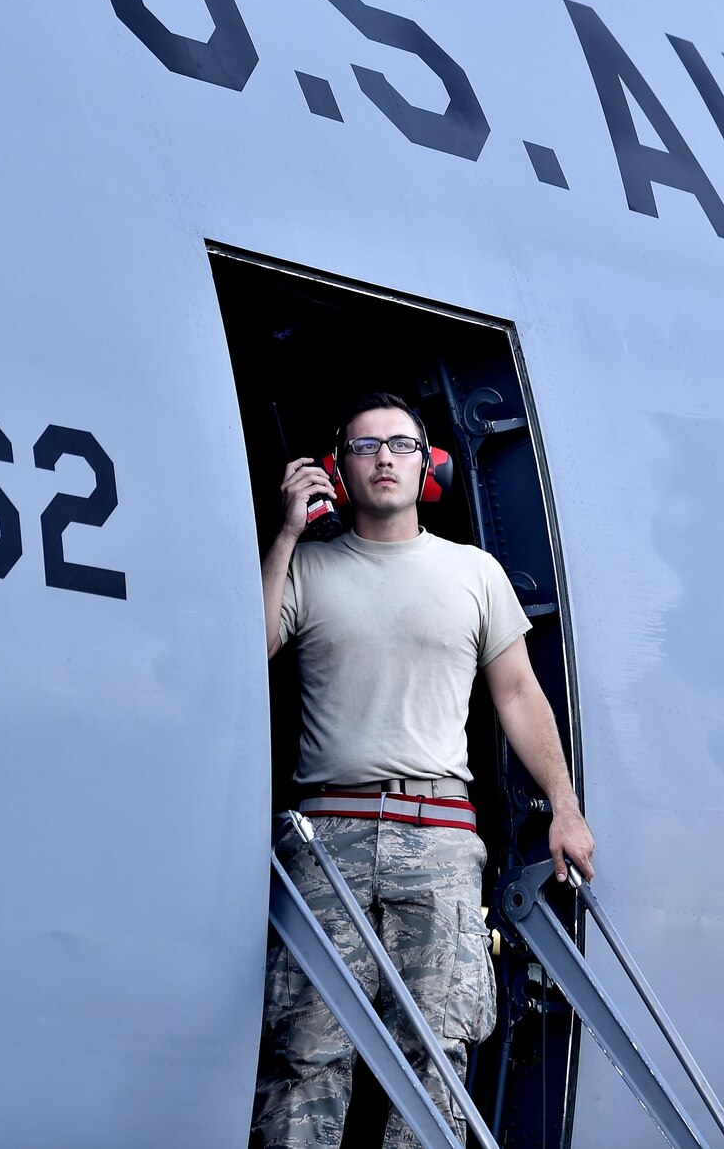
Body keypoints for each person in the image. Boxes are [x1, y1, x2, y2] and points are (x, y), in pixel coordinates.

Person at [254, 391, 596, 1149]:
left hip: (438, 837)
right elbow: (247, 651)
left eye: (400, 444)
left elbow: (518, 695)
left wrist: (565, 808)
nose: (384, 458)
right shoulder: (306, 567)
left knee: (436, 1058)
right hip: (325, 839)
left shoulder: (473, 572)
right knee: (304, 1054)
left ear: (429, 463)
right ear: (337, 467)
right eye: (365, 445)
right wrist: (283, 531)